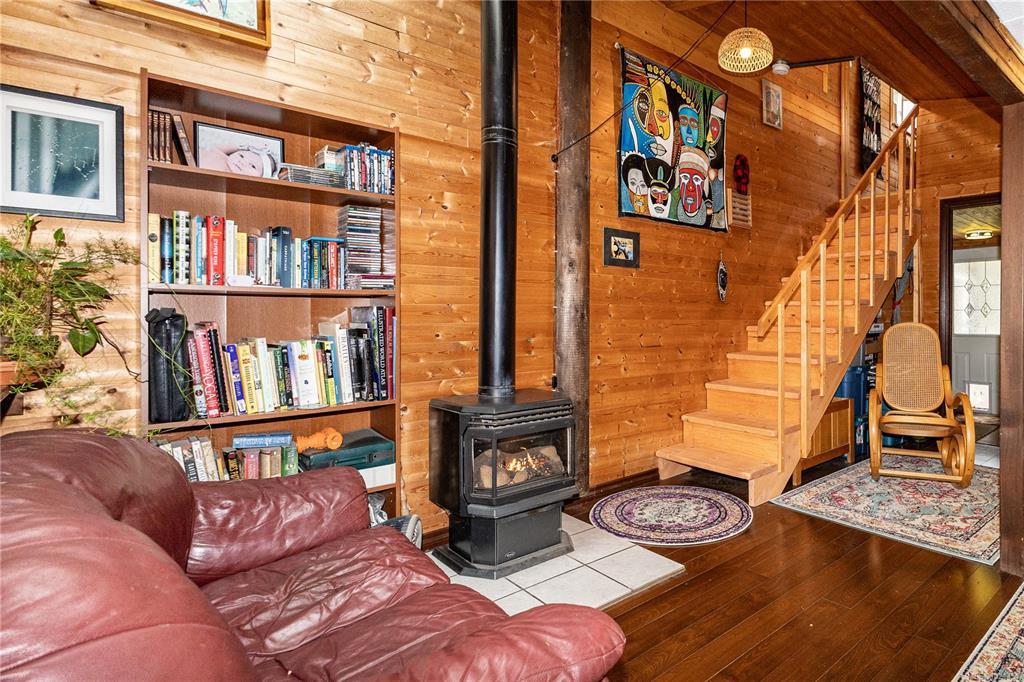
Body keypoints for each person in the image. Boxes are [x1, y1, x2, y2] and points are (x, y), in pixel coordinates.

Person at [198, 143, 278, 178]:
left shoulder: (233, 180)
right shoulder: (223, 156)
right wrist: (243, 146)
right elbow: (214, 147)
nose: (242, 162)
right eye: (241, 156)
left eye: (253, 166)